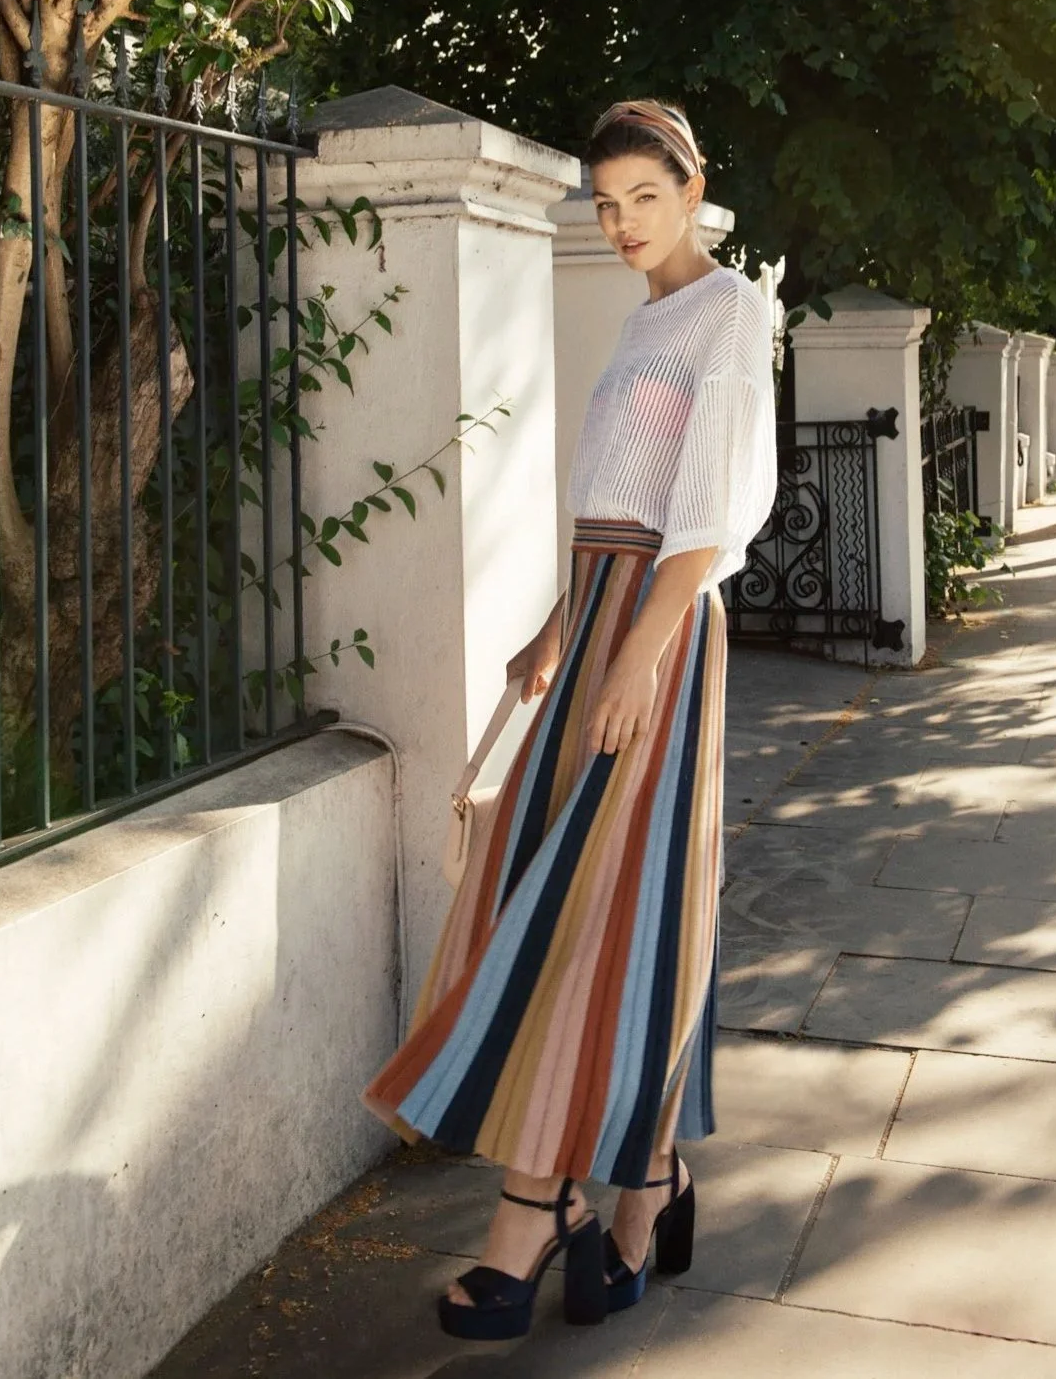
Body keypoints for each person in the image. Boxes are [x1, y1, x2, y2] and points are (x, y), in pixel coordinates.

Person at [361, 98, 778, 1341]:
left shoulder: (730, 312)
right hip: (601, 618)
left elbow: (703, 522)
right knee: (608, 909)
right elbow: (621, 502)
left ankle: (536, 1212)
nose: (620, 222)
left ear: (693, 186)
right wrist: (558, 628)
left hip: (654, 636)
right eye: (603, 203)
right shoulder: (650, 316)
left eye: (643, 197)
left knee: (595, 910)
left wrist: (626, 664)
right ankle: (646, 1183)